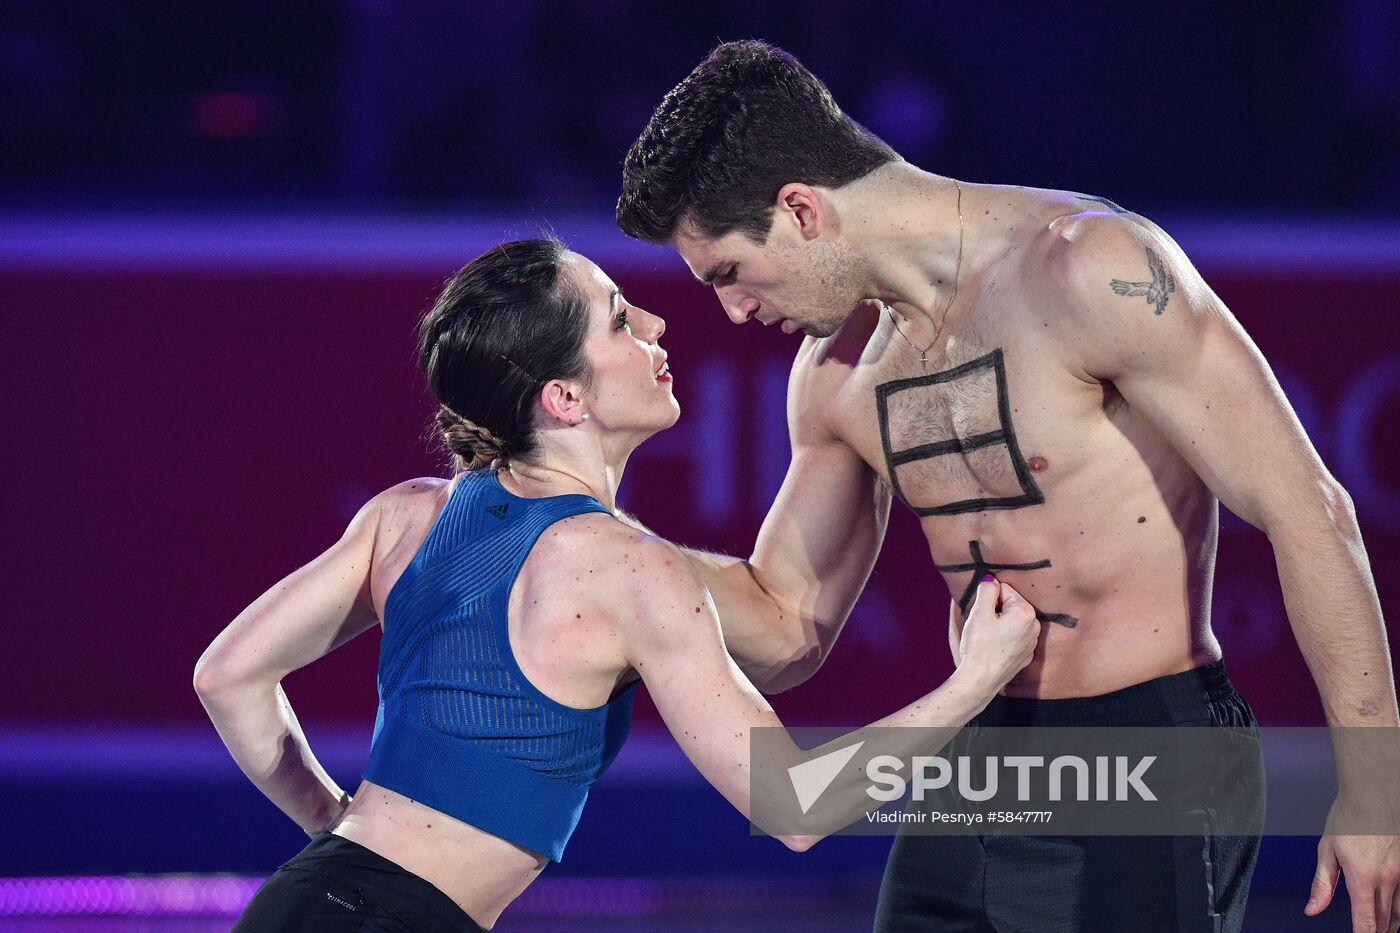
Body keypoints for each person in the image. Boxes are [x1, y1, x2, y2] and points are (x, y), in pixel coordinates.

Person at [616, 40, 1400, 933]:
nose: (733, 311)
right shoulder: (833, 373)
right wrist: (602, 548)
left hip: (1145, 752)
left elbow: (1310, 508)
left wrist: (1375, 785)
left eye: (727, 273)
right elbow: (784, 624)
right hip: (979, 750)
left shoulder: (1088, 267)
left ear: (800, 209)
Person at [193, 237, 1042, 932]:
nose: (659, 323)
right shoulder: (631, 570)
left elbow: (227, 676)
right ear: (564, 397)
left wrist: (331, 824)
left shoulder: (404, 517)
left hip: (304, 901)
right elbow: (796, 805)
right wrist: (975, 680)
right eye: (621, 320)